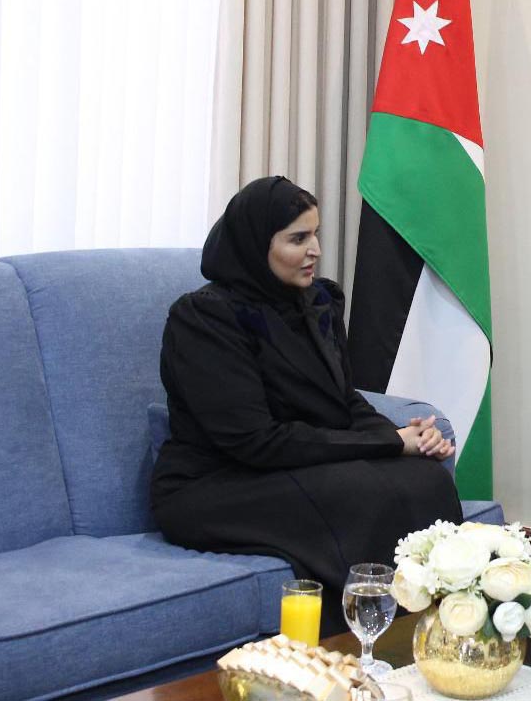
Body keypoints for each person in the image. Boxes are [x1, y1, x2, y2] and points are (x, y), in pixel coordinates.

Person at [151, 176, 462, 634]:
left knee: (425, 478)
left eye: (315, 234)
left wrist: (404, 437)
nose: (315, 249)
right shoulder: (204, 319)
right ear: (257, 245)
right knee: (360, 493)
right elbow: (256, 442)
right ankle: (356, 642)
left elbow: (343, 399)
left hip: (295, 464)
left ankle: (440, 633)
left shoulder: (316, 303)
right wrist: (390, 444)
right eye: (297, 239)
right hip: (218, 480)